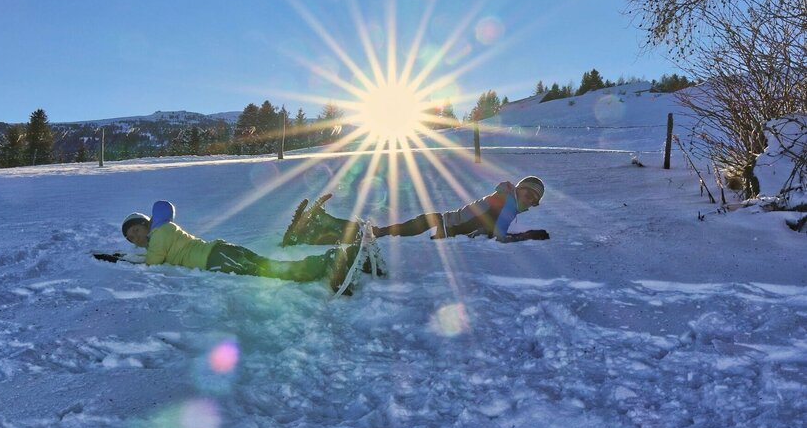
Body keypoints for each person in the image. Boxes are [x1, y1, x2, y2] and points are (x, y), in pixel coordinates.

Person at [120, 201, 360, 293]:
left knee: (270, 271)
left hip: (216, 259)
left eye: (136, 231)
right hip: (221, 251)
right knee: (268, 266)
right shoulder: (164, 231)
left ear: (146, 224)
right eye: (131, 239)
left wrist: (123, 258)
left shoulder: (160, 233)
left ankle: (326, 262)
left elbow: (153, 263)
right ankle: (331, 260)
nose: (136, 239)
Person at [282, 176, 549, 246]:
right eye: (528, 193)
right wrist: (528, 235)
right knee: (376, 236)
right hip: (438, 225)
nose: (529, 200)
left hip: (438, 222)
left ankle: (316, 225)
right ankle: (315, 226)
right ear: (519, 190)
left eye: (534, 200)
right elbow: (500, 234)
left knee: (376, 235)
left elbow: (488, 227)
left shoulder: (504, 200)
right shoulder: (506, 203)